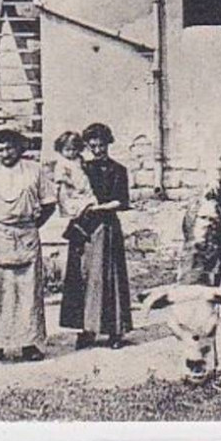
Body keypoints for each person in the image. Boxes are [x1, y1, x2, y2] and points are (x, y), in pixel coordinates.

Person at [0, 124, 54, 364]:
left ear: (18, 148)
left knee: (28, 291)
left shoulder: (34, 171)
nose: (5, 154)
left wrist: (31, 226)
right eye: (0, 150)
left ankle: (29, 344)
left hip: (27, 234)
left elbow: (49, 202)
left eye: (9, 148)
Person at [58, 122, 133, 350]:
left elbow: (121, 201)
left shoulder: (118, 170)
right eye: (93, 146)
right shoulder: (82, 168)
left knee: (109, 278)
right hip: (84, 226)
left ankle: (114, 331)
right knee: (83, 276)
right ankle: (86, 329)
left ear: (108, 144)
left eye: (101, 145)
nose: (98, 150)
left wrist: (100, 208)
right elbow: (69, 191)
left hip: (107, 226)